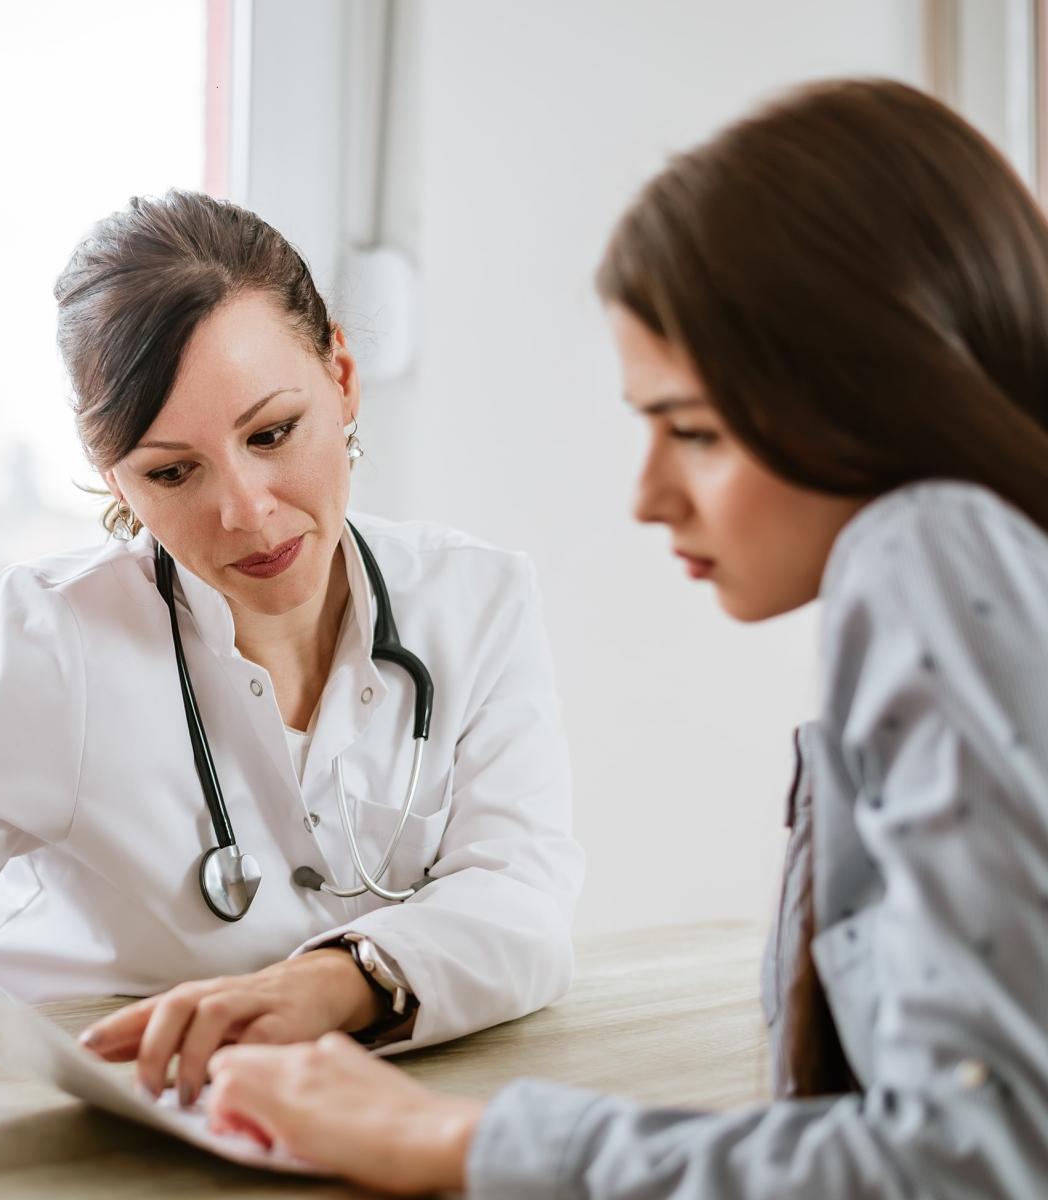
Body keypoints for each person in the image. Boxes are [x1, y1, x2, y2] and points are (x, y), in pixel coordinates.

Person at [197, 78, 1048, 1197]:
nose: (648, 496)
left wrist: (459, 1141)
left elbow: (970, 1160)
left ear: (883, 391)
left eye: (691, 430)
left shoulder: (924, 546)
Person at [0, 192, 583, 1102]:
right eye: (171, 471)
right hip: (88, 1131)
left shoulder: (475, 599)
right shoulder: (58, 639)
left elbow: (526, 899)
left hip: (369, 1117)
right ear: (113, 472)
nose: (245, 510)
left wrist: (337, 981)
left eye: (273, 433)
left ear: (342, 375)